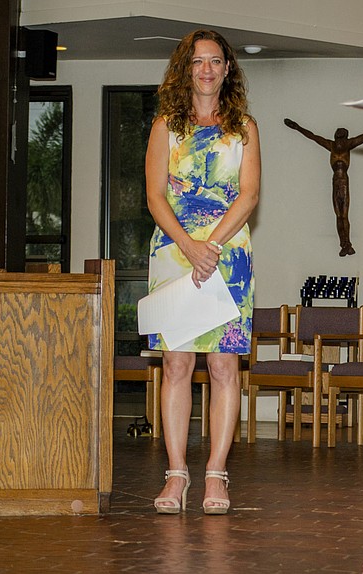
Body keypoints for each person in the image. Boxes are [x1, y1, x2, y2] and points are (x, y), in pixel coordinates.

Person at [145, 29, 260, 515]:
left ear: (227, 69)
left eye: (215, 61)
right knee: (176, 364)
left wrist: (210, 246)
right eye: (198, 62)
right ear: (185, 69)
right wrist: (190, 247)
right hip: (174, 252)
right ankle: (176, 474)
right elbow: (154, 196)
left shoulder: (245, 127)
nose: (207, 69)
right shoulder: (166, 125)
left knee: (223, 365)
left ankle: (216, 473)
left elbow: (249, 195)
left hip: (228, 256)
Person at [284, 117, 363, 256]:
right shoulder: (330, 145)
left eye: (341, 133)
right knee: (338, 215)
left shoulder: (349, 144)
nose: (338, 133)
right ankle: (343, 245)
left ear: (345, 137)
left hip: (343, 181)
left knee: (344, 215)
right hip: (335, 181)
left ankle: (348, 243)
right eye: (337, 133)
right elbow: (313, 137)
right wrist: (297, 127)